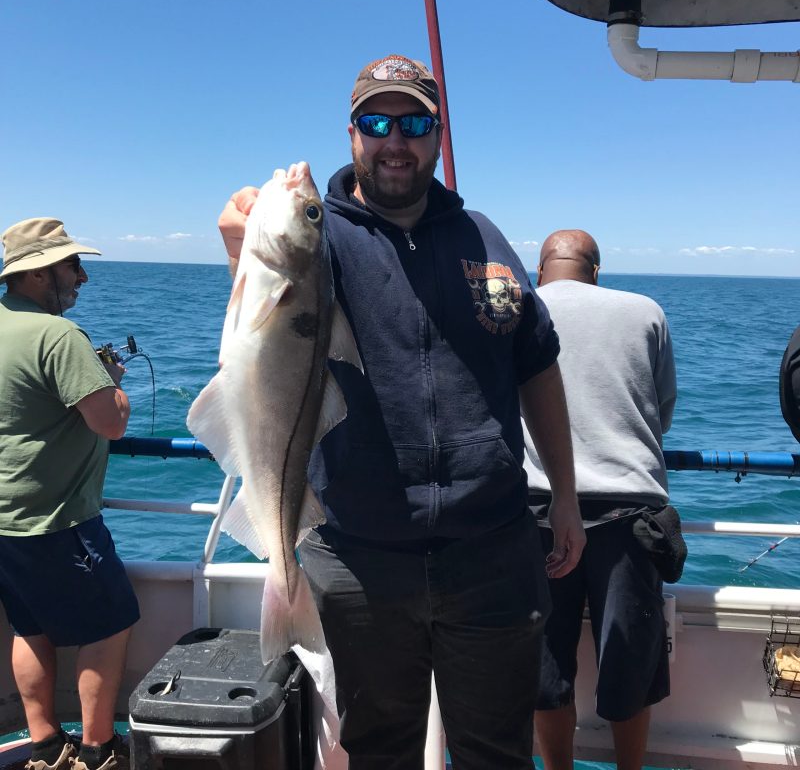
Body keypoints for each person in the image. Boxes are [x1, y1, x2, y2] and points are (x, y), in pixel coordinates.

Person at [218, 54, 586, 769]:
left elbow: (537, 366)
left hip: (493, 550)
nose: (395, 141)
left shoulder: (483, 236)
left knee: (498, 754)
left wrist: (566, 494)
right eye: (376, 122)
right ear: (351, 133)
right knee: (379, 752)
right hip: (357, 555)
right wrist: (242, 245)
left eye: (414, 124)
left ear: (439, 136)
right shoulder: (323, 239)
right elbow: (268, 334)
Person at [524, 229, 677, 770]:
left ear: (539, 270)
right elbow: (661, 411)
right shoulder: (646, 312)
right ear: (597, 272)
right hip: (630, 511)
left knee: (545, 668)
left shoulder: (516, 310)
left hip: (536, 510)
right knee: (629, 663)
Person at [0, 218, 139, 770]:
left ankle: (45, 746)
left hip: (5, 522)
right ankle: (97, 749)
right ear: (38, 274)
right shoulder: (60, 337)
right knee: (110, 621)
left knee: (29, 627)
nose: (82, 276)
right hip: (56, 520)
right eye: (72, 265)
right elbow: (111, 423)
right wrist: (114, 382)